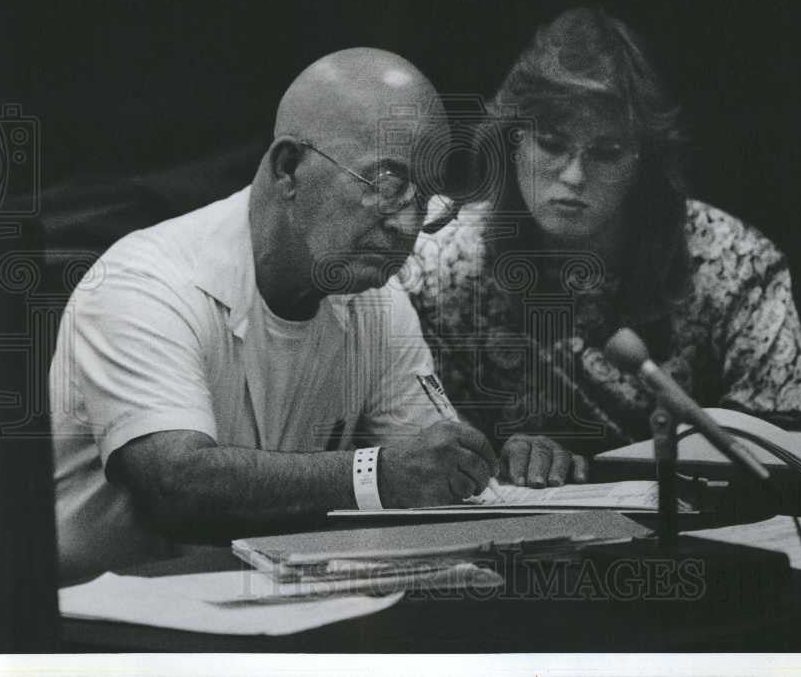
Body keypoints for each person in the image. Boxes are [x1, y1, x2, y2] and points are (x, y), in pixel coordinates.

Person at [51, 48, 517, 582]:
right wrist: (374, 474)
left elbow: (428, 482)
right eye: (387, 186)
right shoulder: (144, 281)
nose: (406, 224)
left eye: (426, 197)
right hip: (99, 632)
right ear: (288, 168)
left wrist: (483, 468)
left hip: (265, 606)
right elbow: (175, 488)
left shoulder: (380, 304)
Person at [405, 8, 801, 468]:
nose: (573, 175)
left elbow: (791, 436)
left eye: (606, 153)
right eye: (550, 143)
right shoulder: (441, 269)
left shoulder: (733, 262)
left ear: (641, 164)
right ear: (512, 141)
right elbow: (424, 455)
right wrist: (505, 455)